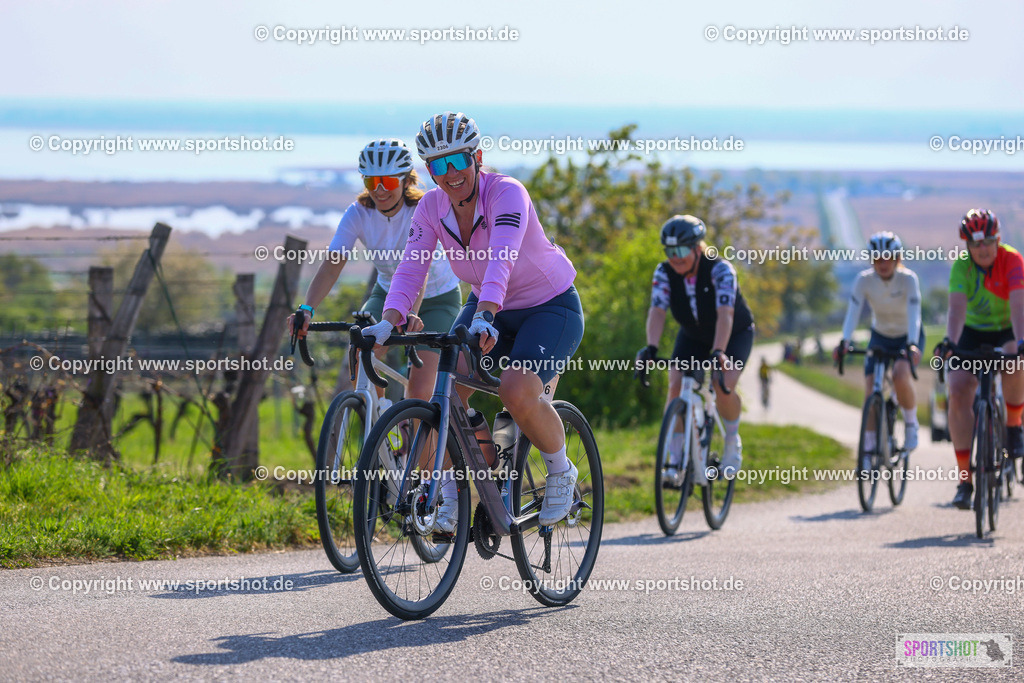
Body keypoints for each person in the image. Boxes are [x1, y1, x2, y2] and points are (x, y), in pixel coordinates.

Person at [360, 112, 585, 532]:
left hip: (548, 306)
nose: (450, 173)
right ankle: (456, 492)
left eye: (457, 160)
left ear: (477, 157)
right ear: (428, 171)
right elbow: (412, 268)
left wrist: (485, 315)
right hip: (486, 306)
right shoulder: (430, 207)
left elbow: (503, 257)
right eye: (438, 165)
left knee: (518, 392)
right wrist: (388, 321)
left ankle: (560, 470)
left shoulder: (507, 194)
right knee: (446, 392)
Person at [291, 138, 462, 402]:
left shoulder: (422, 210)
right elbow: (333, 264)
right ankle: (386, 427)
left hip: (437, 300)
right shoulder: (358, 213)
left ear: (406, 180)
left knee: (418, 393)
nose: (380, 190)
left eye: (389, 181)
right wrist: (307, 309)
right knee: (361, 357)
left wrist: (411, 312)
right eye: (371, 182)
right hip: (386, 293)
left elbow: (420, 270)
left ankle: (415, 427)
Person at [636, 215, 755, 480]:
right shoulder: (664, 272)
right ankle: (675, 459)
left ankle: (732, 440)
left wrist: (719, 352)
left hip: (733, 334)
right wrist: (651, 348)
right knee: (675, 384)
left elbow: (725, 314)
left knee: (723, 383)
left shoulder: (720, 269)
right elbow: (657, 310)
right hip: (693, 335)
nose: (675, 257)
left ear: (697, 248)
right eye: (669, 251)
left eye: (680, 250)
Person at [934, 209, 1024, 509]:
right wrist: (949, 341)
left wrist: (1022, 342)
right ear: (967, 247)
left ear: (997, 239)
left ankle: (1013, 428)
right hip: (972, 332)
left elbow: (1019, 307)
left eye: (987, 241)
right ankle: (964, 480)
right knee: (958, 390)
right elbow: (956, 310)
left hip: (1007, 329)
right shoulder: (961, 267)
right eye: (974, 244)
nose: (982, 249)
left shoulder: (1012, 260)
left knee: (1015, 360)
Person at [834, 232, 924, 454]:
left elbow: (915, 314)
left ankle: (911, 424)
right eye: (877, 258)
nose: (882, 263)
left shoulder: (908, 279)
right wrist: (845, 340)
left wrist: (912, 344)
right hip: (880, 335)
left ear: (897, 258)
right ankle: (869, 446)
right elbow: (853, 312)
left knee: (900, 375)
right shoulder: (864, 280)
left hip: (907, 336)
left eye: (887, 257)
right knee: (870, 387)